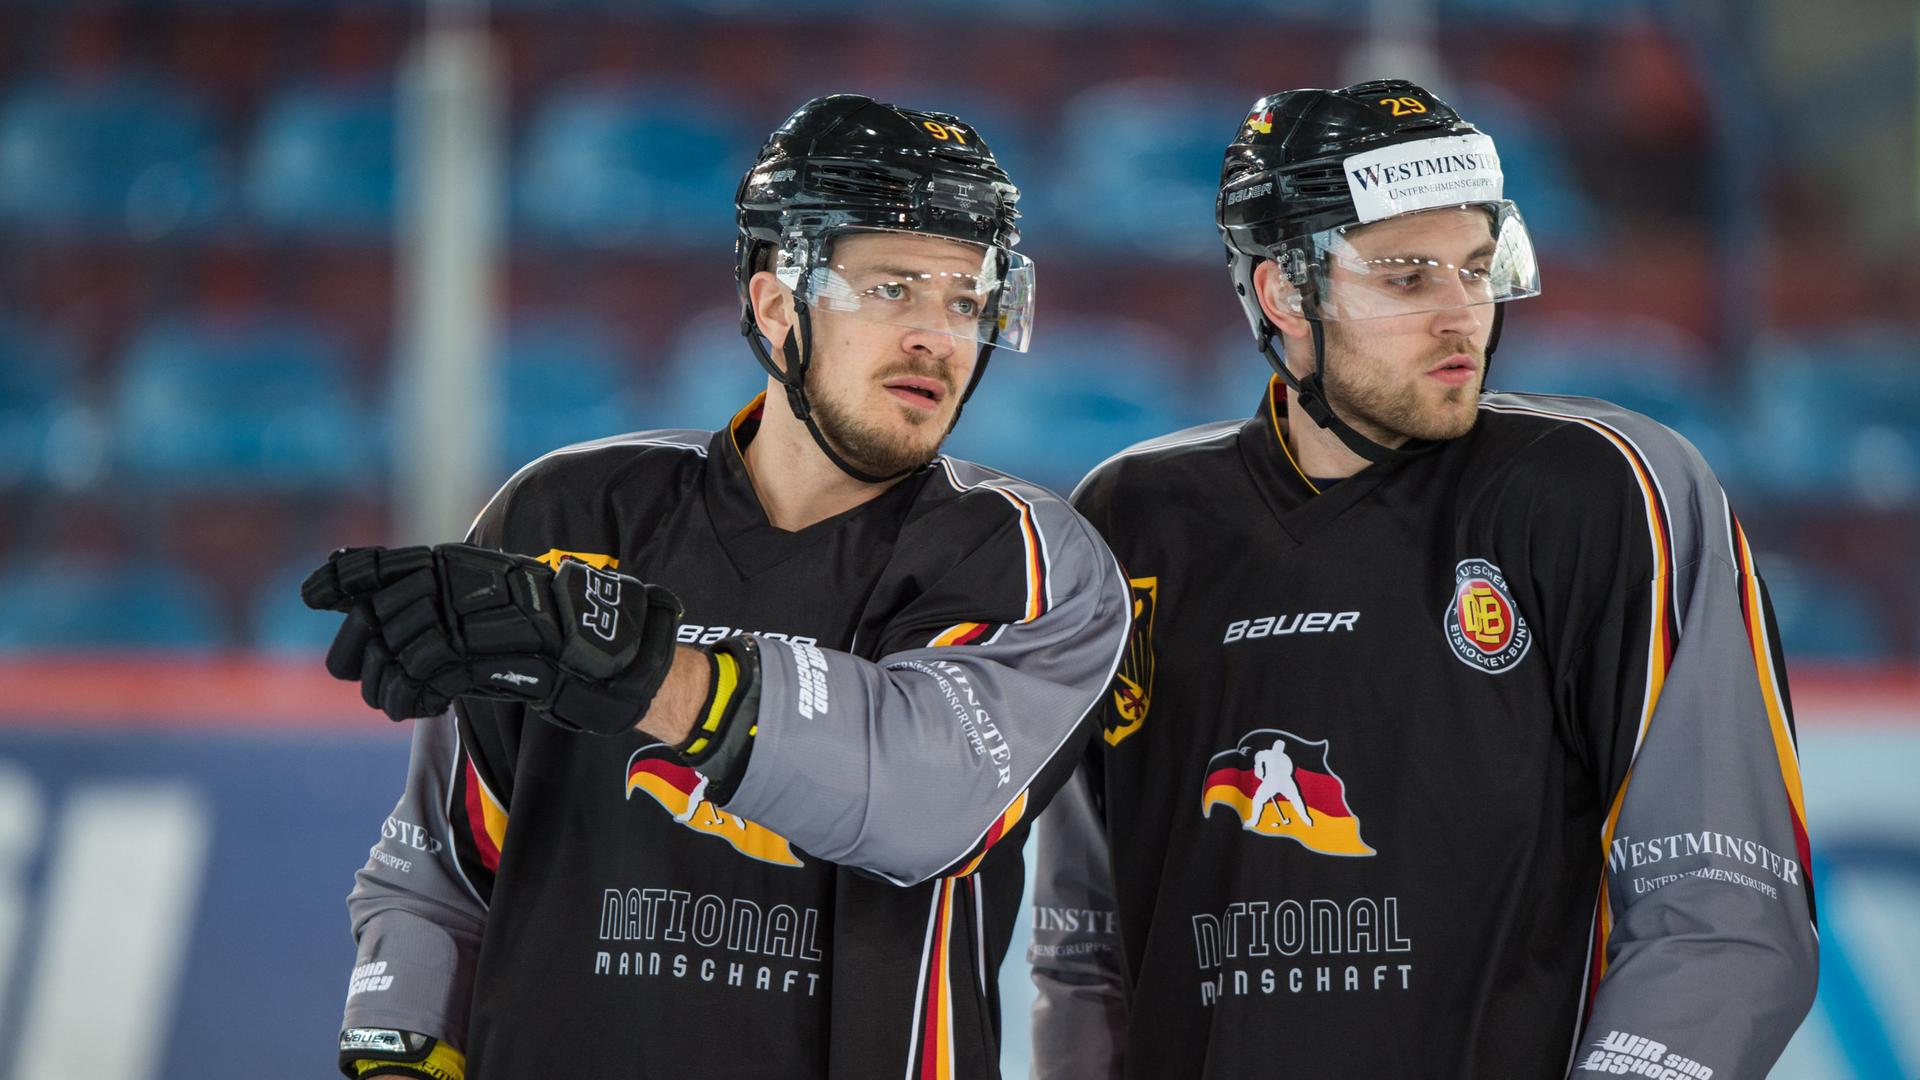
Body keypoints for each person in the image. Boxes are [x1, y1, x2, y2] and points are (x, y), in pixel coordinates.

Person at [305, 93, 1130, 1080]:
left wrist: (637, 666)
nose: (938, 337)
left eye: (964, 298)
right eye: (894, 289)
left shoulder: (1034, 562)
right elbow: (440, 871)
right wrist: (399, 1053)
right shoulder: (570, 517)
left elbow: (923, 799)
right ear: (779, 303)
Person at [1029, 79, 1818, 1079]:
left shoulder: (1609, 493)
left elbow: (1727, 926)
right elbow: (1089, 949)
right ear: (1284, 291)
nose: (1463, 316)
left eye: (1478, 269)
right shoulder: (1128, 521)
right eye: (1407, 278)